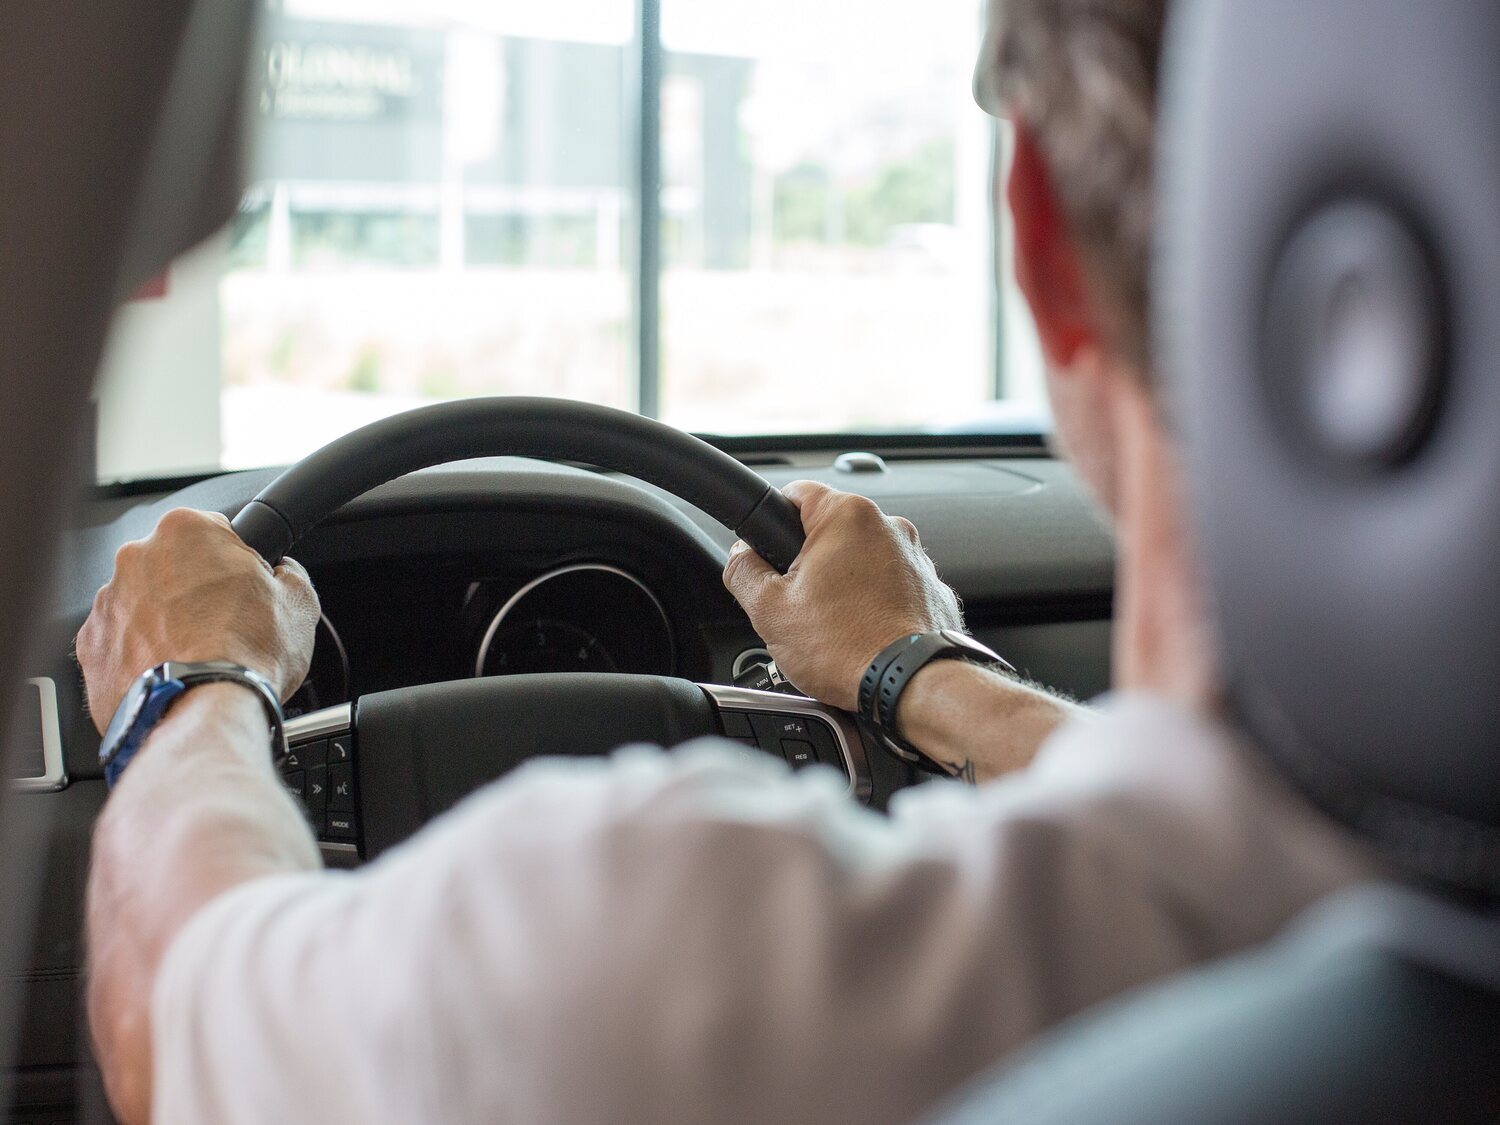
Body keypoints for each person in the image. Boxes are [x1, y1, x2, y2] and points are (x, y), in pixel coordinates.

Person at [78, 1, 1384, 1122]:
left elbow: (169, 1017)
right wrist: (919, 671)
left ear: (1037, 233)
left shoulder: (659, 962)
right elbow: (1190, 827)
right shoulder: (1355, 898)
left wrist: (184, 685)